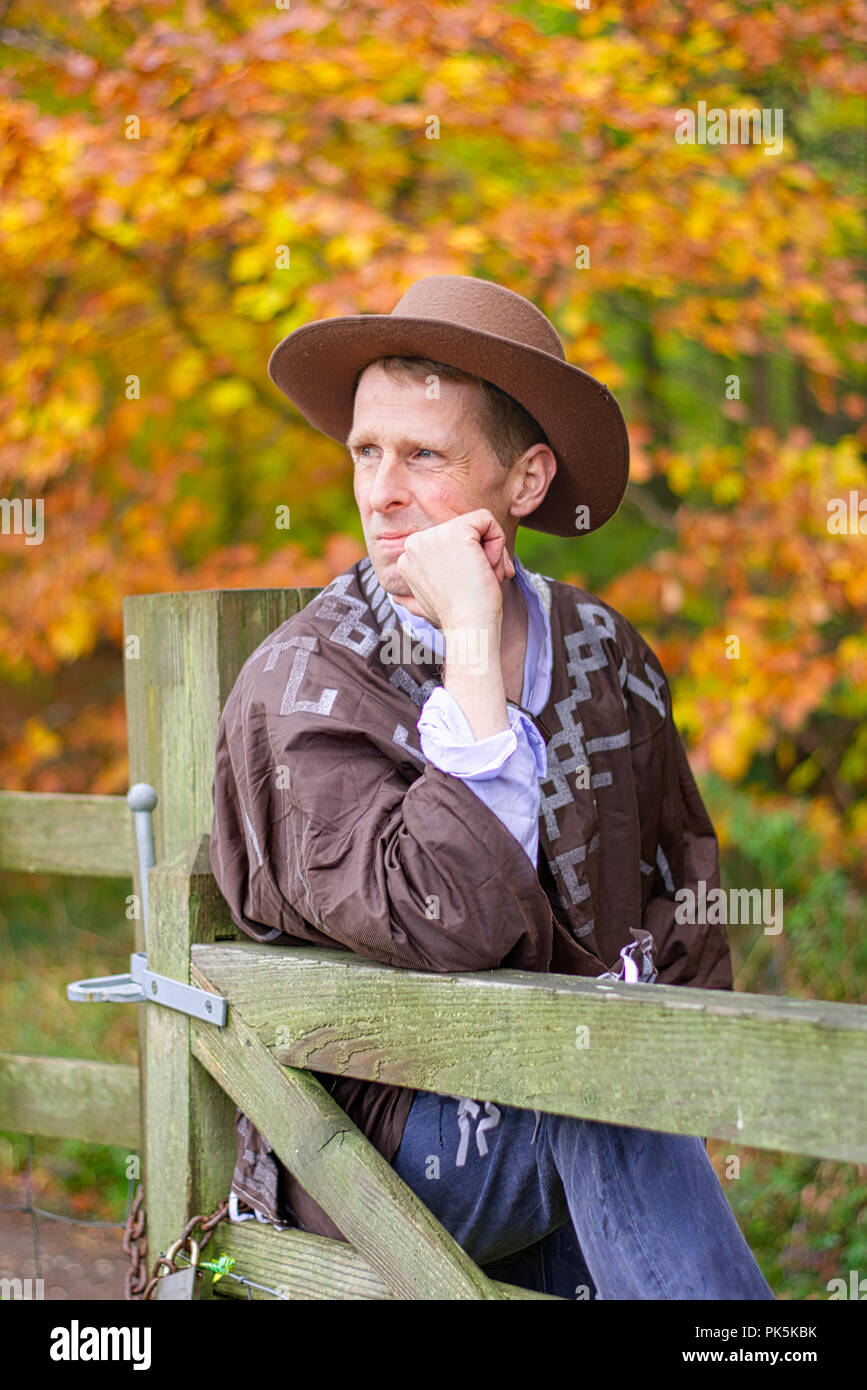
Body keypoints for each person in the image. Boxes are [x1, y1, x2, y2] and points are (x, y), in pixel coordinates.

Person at [209, 274, 774, 1299]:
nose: (380, 490)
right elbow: (449, 920)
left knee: (602, 1061)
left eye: (422, 455)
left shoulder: (608, 656)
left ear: (525, 482)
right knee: (589, 1062)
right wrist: (469, 644)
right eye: (366, 451)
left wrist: (690, 1074)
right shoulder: (302, 683)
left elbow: (683, 905)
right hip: (370, 1154)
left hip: (595, 1123)